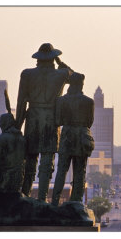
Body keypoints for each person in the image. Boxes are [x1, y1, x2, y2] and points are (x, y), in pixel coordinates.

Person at [15, 43, 73, 201]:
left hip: (33, 118)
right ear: (53, 58)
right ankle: (42, 199)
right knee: (47, 160)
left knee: (30, 159)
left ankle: (25, 195)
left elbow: (21, 102)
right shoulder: (61, 74)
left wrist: (17, 126)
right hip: (51, 119)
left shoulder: (27, 74)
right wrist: (61, 63)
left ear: (38, 58)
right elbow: (74, 78)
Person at [51, 72, 94, 206]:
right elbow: (89, 122)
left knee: (61, 170)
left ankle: (55, 202)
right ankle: (76, 202)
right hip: (82, 136)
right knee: (80, 171)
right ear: (81, 84)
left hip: (67, 136)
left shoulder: (61, 101)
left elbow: (57, 120)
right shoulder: (88, 102)